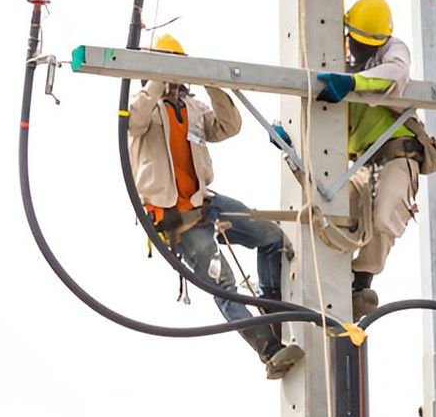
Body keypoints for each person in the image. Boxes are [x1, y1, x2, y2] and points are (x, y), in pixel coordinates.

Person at [128, 33, 305, 380]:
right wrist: (155, 80)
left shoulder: (192, 107)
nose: (175, 78)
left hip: (204, 203)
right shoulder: (144, 107)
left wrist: (213, 85)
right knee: (222, 283)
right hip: (175, 218)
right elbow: (133, 121)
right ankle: (269, 351)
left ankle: (273, 316)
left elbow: (228, 126)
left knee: (272, 238)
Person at [313, 0, 432, 319]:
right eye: (357, 41)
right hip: (363, 158)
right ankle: (340, 284)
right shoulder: (334, 50)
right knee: (338, 216)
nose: (361, 49)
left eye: (368, 44)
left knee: (382, 219)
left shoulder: (392, 50)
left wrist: (354, 82)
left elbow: (395, 74)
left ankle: (361, 280)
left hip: (396, 152)